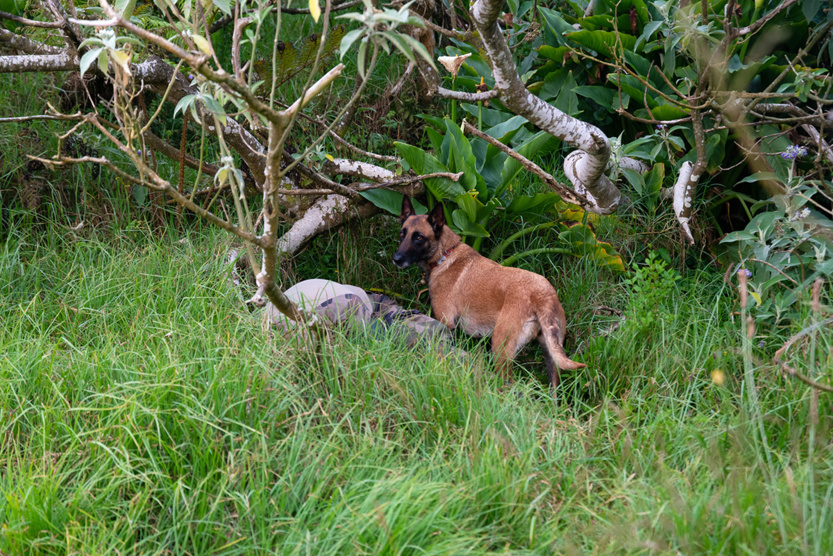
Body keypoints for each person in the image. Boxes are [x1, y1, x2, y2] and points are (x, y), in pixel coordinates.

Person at [265, 279, 464, 358]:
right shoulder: (344, 308)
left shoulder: (348, 305)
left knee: (431, 334)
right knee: (430, 339)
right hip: (351, 305)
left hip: (363, 304)